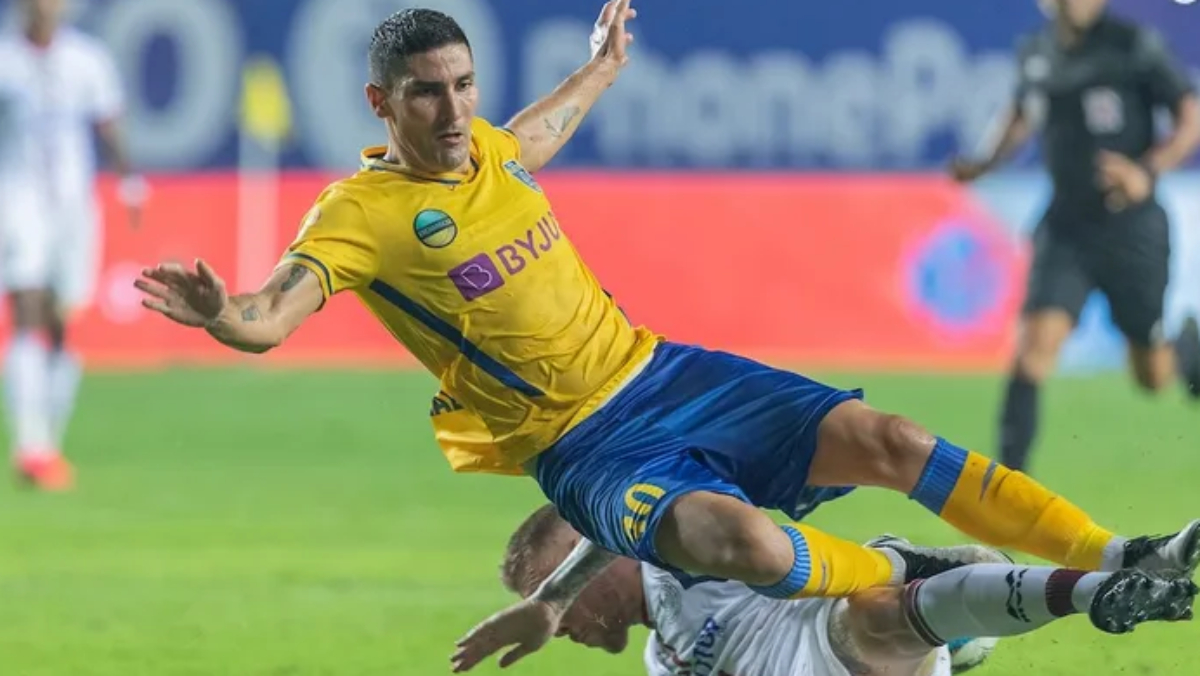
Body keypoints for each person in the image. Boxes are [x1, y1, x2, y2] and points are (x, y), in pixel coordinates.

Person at [134, 0, 1199, 659]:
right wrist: (222, 311)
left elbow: (533, 136)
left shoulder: (487, 148)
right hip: (585, 448)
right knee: (743, 544)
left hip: (665, 372)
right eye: (426, 95)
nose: (453, 112)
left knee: (893, 439)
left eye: (463, 86)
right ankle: (916, 576)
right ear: (380, 103)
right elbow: (271, 316)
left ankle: (1123, 553)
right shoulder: (357, 215)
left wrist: (602, 67)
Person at [459, 505, 1197, 675]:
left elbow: (646, 510)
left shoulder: (675, 551)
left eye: (549, 588)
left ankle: (1105, 589)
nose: (557, 619)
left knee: (872, 607)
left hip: (848, 643)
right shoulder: (664, 656)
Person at [950, 0, 1200, 474]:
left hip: (1131, 227)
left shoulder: (1132, 45)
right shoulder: (1036, 51)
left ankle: (1187, 351)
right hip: (1066, 224)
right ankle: (1007, 487)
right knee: (1032, 349)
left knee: (1150, 376)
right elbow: (1020, 114)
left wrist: (1146, 171)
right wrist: (984, 162)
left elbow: (1190, 115)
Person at [0, 0, 145, 490]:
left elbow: (108, 123)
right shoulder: (5, 62)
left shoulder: (87, 60)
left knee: (62, 320)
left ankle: (48, 442)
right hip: (18, 200)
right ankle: (30, 447)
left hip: (73, 206)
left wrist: (128, 181)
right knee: (26, 308)